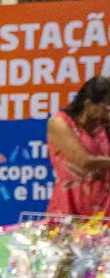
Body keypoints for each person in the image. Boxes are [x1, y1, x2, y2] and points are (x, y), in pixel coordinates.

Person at [47, 76, 110, 217]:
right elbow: (84, 161)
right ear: (89, 104)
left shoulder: (104, 125)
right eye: (106, 107)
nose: (108, 113)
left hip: (103, 206)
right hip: (70, 204)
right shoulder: (59, 123)